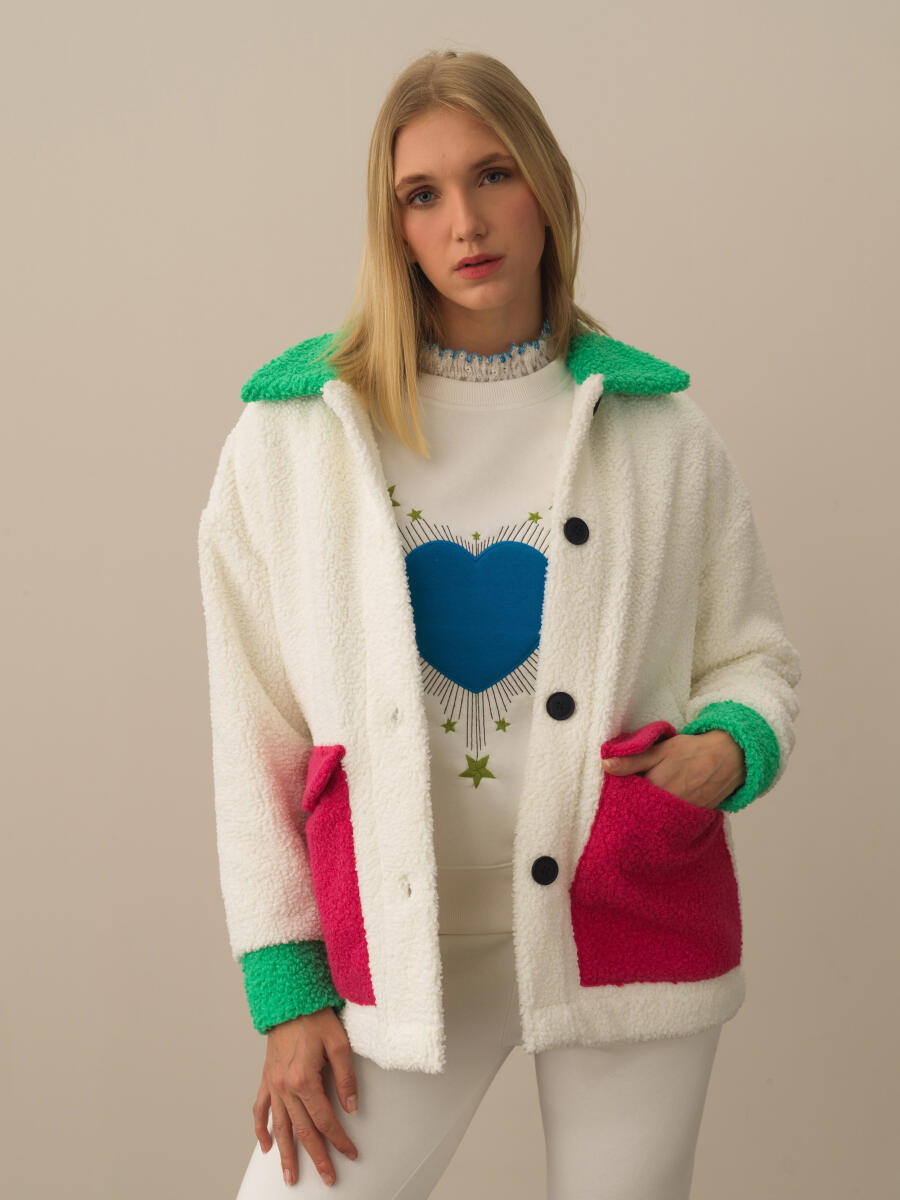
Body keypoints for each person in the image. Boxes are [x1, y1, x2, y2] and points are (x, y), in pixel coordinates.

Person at [197, 49, 802, 1199]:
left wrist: (727, 751)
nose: (465, 222)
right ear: (392, 225)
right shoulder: (295, 440)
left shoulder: (662, 432)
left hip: (625, 919)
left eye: (493, 174)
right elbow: (253, 725)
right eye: (421, 194)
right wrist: (286, 989)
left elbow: (754, 654)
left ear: (546, 185)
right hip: (400, 947)